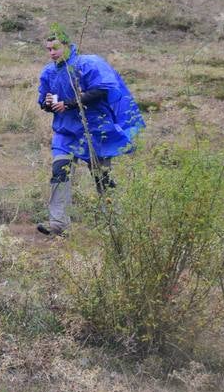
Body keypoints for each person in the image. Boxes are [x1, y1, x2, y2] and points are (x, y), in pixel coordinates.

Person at [35, 25, 144, 236]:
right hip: (66, 132)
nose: (52, 53)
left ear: (67, 45)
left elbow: (102, 90)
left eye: (55, 47)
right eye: (48, 49)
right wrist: (48, 103)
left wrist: (70, 103)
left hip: (94, 130)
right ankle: (58, 224)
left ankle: (112, 223)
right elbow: (44, 102)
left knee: (102, 176)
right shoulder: (48, 72)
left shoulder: (88, 64)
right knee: (60, 172)